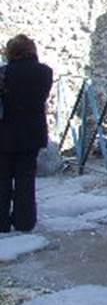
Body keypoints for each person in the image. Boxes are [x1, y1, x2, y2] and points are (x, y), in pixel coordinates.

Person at [0, 35, 53, 232]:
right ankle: (25, 221)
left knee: (3, 178)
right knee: (26, 179)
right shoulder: (45, 72)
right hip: (32, 132)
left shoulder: (4, 73)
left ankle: (1, 222)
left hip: (4, 132)